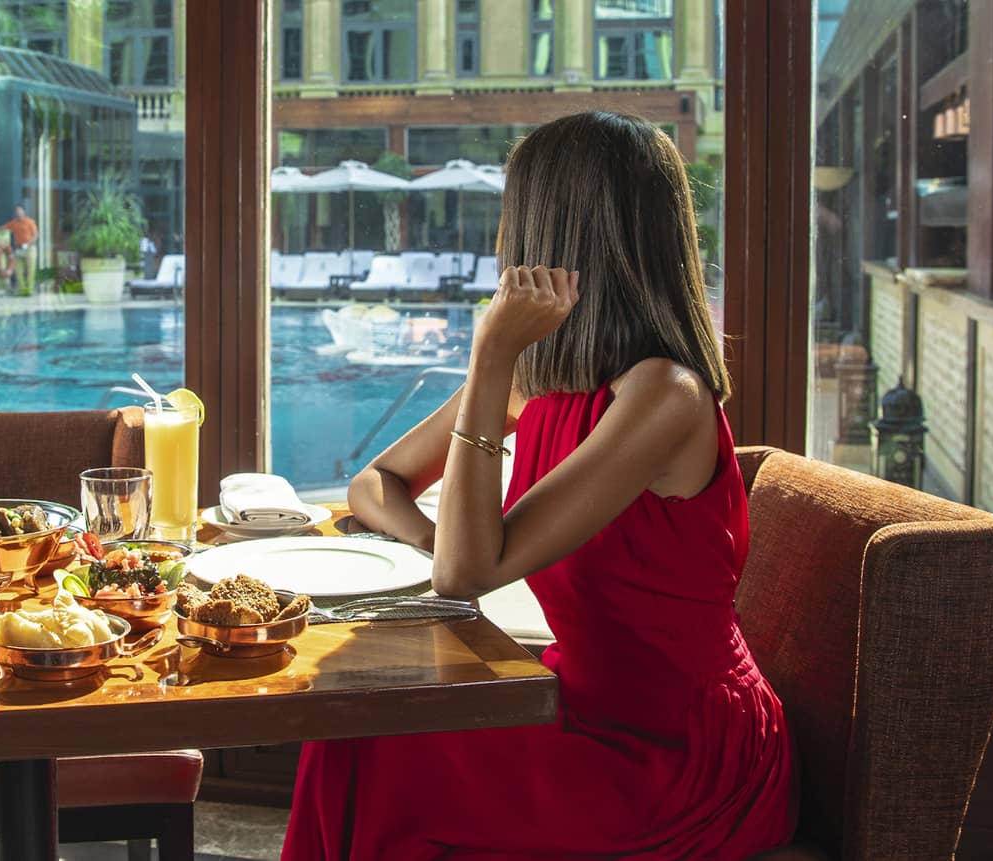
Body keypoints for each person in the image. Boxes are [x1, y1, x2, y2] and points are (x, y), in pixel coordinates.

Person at [283, 112, 797, 859]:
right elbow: (375, 483)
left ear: (552, 231)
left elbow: (466, 574)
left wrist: (489, 354)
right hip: (569, 699)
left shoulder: (665, 395)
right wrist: (447, 536)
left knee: (374, 748)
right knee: (355, 728)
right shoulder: (544, 385)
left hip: (679, 752)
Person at [0, 205, 39, 286]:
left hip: (29, 249)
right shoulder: (14, 223)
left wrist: (28, 244)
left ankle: (29, 289)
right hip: (19, 249)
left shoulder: (30, 222)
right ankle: (22, 289)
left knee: (30, 270)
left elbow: (36, 235)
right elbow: (4, 227)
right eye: (17, 211)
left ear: (24, 211)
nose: (18, 213)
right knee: (18, 270)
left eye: (20, 211)